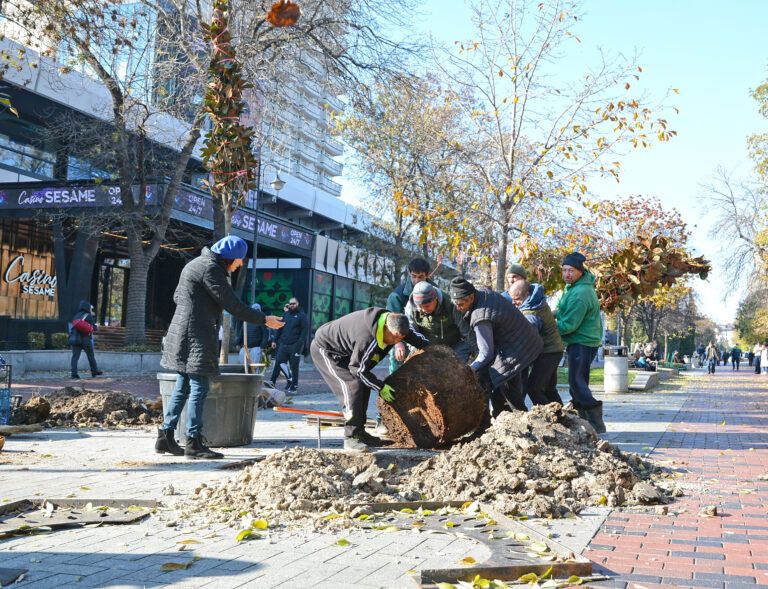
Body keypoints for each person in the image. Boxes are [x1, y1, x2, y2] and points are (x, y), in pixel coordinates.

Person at [157, 236, 284, 459]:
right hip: (196, 336)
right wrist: (264, 319)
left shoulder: (194, 264)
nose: (240, 264)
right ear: (229, 257)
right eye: (239, 259)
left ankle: (165, 436)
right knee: (199, 386)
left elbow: (178, 297)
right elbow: (232, 304)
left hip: (182, 333)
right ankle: (193, 442)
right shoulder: (210, 269)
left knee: (183, 386)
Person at [310, 309, 429, 451]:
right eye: (394, 337)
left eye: (400, 339)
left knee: (364, 384)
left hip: (349, 352)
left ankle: (361, 433)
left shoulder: (396, 325)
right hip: (327, 351)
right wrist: (380, 387)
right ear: (385, 327)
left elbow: (420, 341)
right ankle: (351, 437)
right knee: (352, 386)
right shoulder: (367, 337)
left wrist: (435, 351)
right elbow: (358, 369)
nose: (396, 341)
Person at [449, 276, 543, 417]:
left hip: (515, 350)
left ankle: (520, 420)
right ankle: (501, 419)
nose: (459, 308)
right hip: (525, 342)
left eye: (461, 304)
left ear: (471, 297)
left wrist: (469, 370)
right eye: (456, 304)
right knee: (500, 389)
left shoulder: (480, 316)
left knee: (505, 383)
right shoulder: (486, 295)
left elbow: (486, 353)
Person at [555, 252, 606, 433]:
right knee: (578, 381)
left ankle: (595, 420)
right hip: (581, 340)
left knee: (576, 381)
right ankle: (582, 418)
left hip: (582, 341)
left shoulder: (581, 293)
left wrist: (548, 327)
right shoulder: (573, 288)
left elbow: (568, 324)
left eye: (571, 271)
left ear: (579, 272)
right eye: (564, 270)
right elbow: (562, 312)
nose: (567, 274)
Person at [509, 280, 564, 406]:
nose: (513, 302)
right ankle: (564, 417)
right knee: (549, 389)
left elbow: (528, 338)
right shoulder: (538, 301)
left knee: (534, 389)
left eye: (517, 299)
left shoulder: (531, 313)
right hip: (554, 350)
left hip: (548, 353)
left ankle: (548, 419)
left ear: (527, 294)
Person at [401, 281, 475, 362]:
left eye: (427, 306)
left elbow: (466, 331)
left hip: (455, 346)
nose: (423, 310)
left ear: (435, 298)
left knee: (455, 369)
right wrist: (419, 351)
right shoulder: (411, 308)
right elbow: (412, 334)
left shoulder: (451, 304)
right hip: (427, 349)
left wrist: (477, 351)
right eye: (420, 307)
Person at [386, 257, 432, 373]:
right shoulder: (397, 296)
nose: (416, 280)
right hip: (401, 338)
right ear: (409, 274)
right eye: (413, 276)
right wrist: (398, 344)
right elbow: (391, 324)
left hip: (425, 337)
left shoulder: (434, 291)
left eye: (420, 277)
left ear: (427, 275)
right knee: (398, 372)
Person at [265, 297, 309, 393]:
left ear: (297, 304)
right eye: (290, 303)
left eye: (293, 303)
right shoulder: (285, 314)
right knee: (279, 363)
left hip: (295, 345)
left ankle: (294, 386)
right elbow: (279, 328)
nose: (291, 305)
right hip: (283, 344)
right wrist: (274, 340)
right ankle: (277, 381)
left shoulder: (302, 316)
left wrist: (299, 345)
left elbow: (304, 333)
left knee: (294, 367)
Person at [69, 300, 103, 379]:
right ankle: (94, 372)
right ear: (87, 307)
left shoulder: (76, 316)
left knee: (75, 357)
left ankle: (74, 375)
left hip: (76, 339)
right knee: (90, 356)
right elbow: (94, 328)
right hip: (86, 339)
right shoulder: (88, 315)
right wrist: (96, 326)